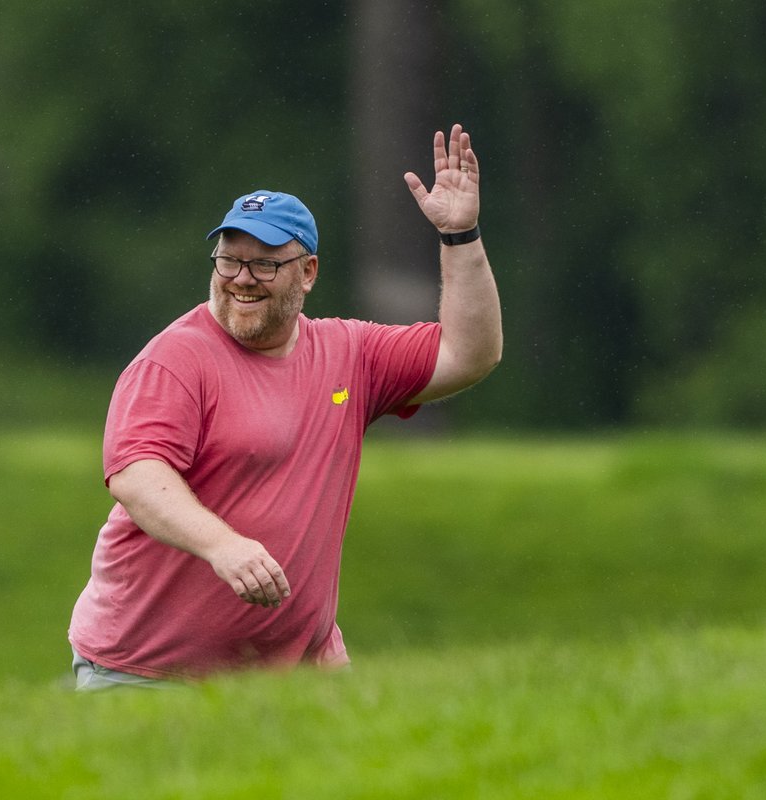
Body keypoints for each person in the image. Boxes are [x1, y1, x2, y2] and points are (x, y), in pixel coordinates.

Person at [68, 124, 502, 690]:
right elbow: (137, 475)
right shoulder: (175, 360)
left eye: (265, 264)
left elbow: (470, 354)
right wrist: (223, 546)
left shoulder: (350, 353)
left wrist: (460, 235)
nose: (243, 279)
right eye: (230, 260)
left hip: (301, 673)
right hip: (148, 673)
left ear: (309, 273)